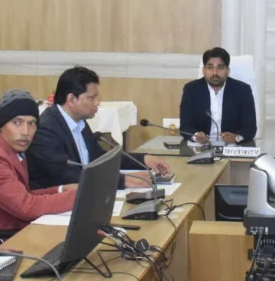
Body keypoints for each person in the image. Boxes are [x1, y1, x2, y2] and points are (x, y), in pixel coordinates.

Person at [0, 90, 78, 232]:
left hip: (6, 224)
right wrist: (79, 195)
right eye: (17, 122)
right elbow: (27, 207)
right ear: (2, 124)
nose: (25, 132)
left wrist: (61, 190)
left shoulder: (6, 142)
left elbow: (23, 195)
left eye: (31, 123)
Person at [29, 66, 171, 190]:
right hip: (57, 205)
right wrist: (123, 180)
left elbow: (100, 158)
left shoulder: (79, 121)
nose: (97, 102)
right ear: (72, 100)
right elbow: (69, 176)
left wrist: (144, 160)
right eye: (92, 98)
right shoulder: (45, 130)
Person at [178, 48, 257, 145]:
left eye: (220, 67)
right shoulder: (191, 90)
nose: (215, 72)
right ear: (203, 70)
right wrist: (196, 136)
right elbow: (185, 126)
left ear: (228, 71)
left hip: (232, 147)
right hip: (200, 147)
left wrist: (236, 137)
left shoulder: (243, 90)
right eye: (210, 67)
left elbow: (250, 128)